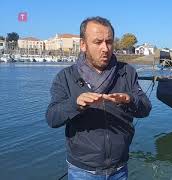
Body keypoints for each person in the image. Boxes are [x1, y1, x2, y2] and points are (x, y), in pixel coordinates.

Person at [46, 16, 152, 180]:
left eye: (109, 42)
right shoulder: (65, 77)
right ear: (83, 45)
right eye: (98, 42)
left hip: (120, 169)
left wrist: (129, 99)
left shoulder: (127, 72)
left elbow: (145, 108)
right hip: (82, 171)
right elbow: (52, 118)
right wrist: (76, 104)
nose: (105, 48)